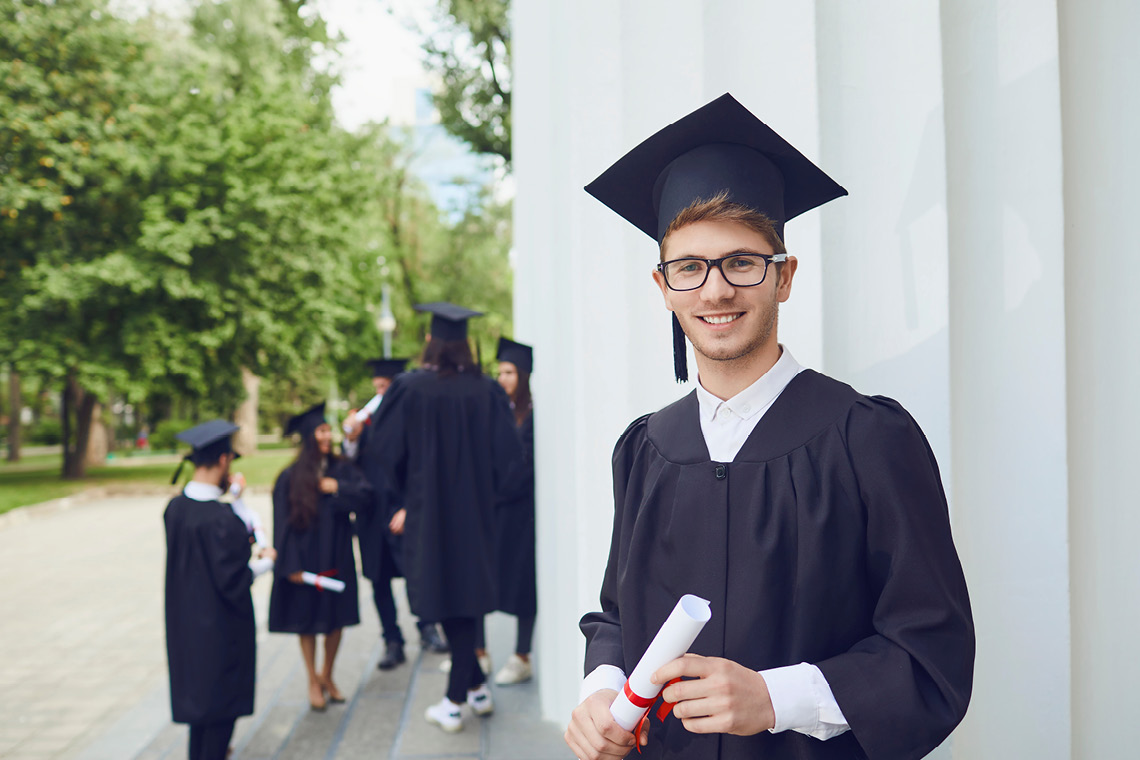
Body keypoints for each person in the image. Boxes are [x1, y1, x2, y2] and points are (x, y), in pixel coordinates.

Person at [565, 93, 974, 760]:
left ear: (783, 277)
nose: (716, 289)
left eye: (742, 262)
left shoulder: (868, 439)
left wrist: (776, 698)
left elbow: (930, 653)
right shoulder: (644, 449)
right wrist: (602, 689)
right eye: (689, 267)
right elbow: (616, 613)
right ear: (663, 286)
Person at [365, 302, 523, 733]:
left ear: (431, 342)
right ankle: (475, 688)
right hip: (474, 515)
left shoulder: (409, 389)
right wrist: (484, 492)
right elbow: (509, 458)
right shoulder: (487, 390)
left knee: (445, 596)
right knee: (464, 596)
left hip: (429, 512)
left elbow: (383, 450)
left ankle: (454, 703)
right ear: (467, 346)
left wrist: (406, 493)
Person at [164, 420, 275, 760]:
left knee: (200, 715)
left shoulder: (175, 509)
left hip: (185, 626)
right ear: (225, 461)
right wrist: (266, 562)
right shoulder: (221, 520)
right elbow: (235, 580)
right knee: (220, 716)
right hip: (220, 630)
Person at [345, 358, 449, 671]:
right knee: (378, 578)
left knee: (415, 572)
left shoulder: (411, 418)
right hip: (370, 512)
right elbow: (350, 460)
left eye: (385, 387)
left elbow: (421, 467)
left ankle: (427, 627)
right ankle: (392, 640)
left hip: (402, 509)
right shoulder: (363, 420)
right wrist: (350, 437)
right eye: (376, 387)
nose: (381, 393)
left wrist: (409, 507)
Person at [268, 402, 371, 711]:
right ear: (309, 437)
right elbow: (281, 526)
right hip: (306, 560)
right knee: (308, 622)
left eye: (328, 430)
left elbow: (367, 497)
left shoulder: (342, 469)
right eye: (322, 431)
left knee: (336, 619)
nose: (327, 436)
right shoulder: (289, 478)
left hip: (337, 555)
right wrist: (290, 566)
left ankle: (327, 673)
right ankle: (312, 678)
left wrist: (336, 487)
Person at [488, 337, 538, 685]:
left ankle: (521, 656)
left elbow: (522, 469)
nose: (503, 378)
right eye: (500, 372)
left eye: (509, 371)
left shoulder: (531, 415)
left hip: (522, 514)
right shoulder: (501, 412)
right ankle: (474, 654)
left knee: (522, 583)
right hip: (499, 511)